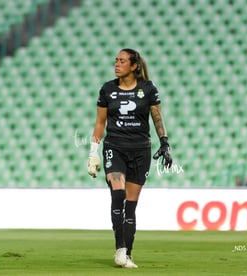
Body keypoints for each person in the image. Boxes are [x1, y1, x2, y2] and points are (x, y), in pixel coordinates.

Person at [87, 48, 172, 268]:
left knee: (131, 207)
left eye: (122, 61)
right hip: (114, 148)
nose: (116, 64)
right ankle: (120, 249)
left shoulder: (148, 89)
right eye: (116, 60)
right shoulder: (107, 90)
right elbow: (100, 123)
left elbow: (157, 117)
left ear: (134, 66)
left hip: (141, 151)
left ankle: (129, 254)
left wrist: (165, 143)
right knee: (118, 194)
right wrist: (93, 152)